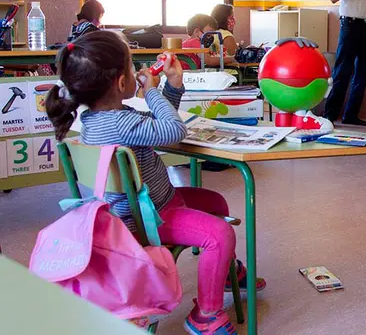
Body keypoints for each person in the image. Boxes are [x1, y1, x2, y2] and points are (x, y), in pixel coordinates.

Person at [45, 31, 265, 335]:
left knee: (215, 202)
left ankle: (224, 273)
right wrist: (152, 92)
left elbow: (159, 126)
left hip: (146, 206)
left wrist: (171, 88)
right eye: (133, 67)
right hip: (150, 218)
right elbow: (173, 130)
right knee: (220, 234)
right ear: (122, 83)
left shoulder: (99, 118)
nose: (138, 73)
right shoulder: (121, 122)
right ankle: (205, 314)